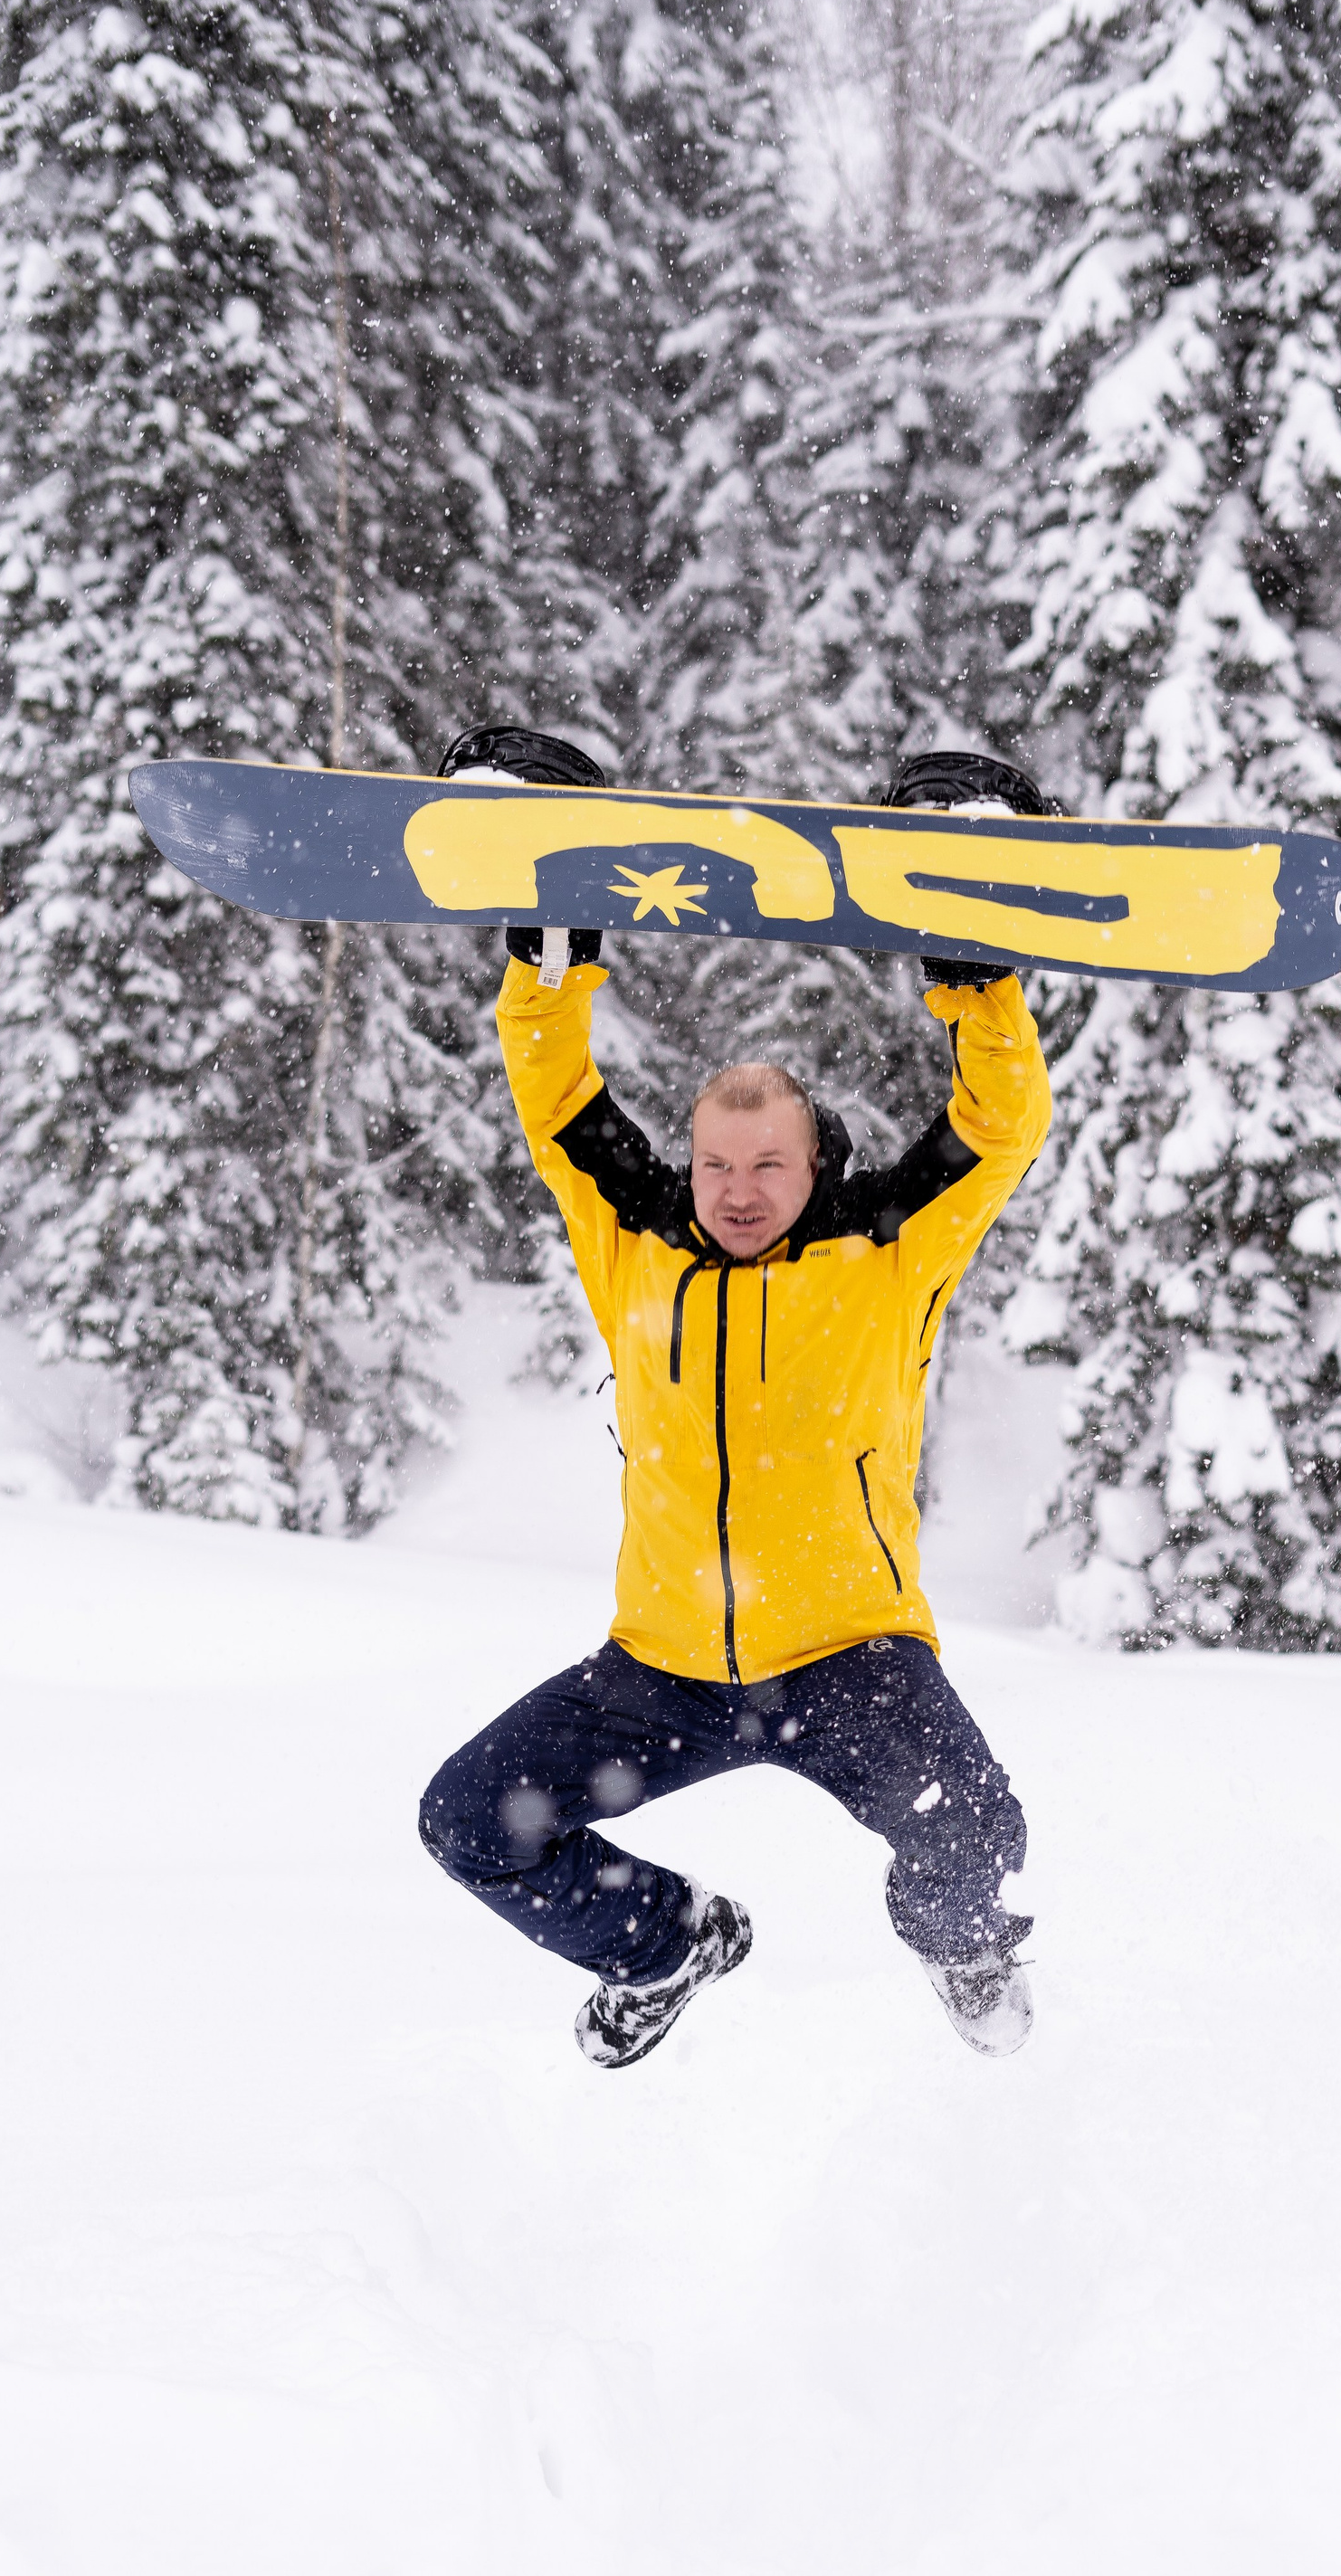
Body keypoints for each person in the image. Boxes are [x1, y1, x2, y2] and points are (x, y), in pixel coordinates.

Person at [419, 727, 1054, 2067]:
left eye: (770, 1164)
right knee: (469, 1820)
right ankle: (663, 1945)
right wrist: (552, 943)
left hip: (850, 1660)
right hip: (662, 1671)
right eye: (716, 1163)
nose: (739, 1189)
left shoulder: (887, 1249)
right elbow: (555, 1095)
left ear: (818, 1163)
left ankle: (963, 1948)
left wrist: (976, 979)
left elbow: (998, 1126)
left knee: (974, 1828)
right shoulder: (637, 1246)